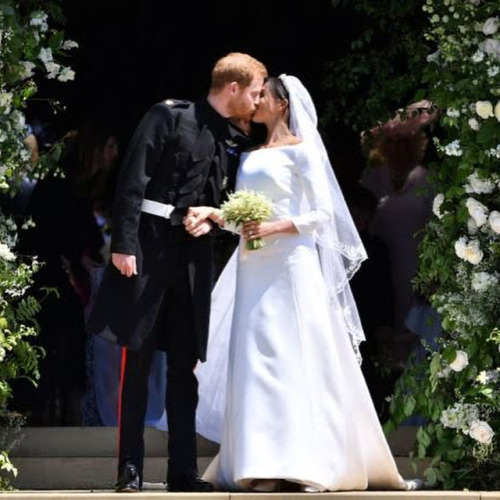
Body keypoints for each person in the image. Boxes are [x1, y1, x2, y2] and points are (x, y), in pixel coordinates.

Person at [184, 75, 413, 492]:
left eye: (263, 97)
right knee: (256, 360)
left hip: (291, 265)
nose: (255, 105)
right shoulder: (250, 155)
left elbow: (322, 215)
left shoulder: (305, 152)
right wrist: (216, 215)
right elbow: (241, 213)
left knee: (295, 357)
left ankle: (305, 460)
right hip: (253, 265)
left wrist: (274, 226)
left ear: (282, 104)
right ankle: (260, 463)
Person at [85, 52, 267, 493]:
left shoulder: (231, 138)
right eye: (256, 91)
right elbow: (133, 178)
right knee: (140, 361)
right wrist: (124, 245)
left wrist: (211, 218)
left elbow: (224, 200)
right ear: (233, 88)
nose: (258, 101)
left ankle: (182, 471)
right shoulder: (168, 116)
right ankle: (129, 468)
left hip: (193, 259)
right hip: (148, 250)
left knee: (186, 367)